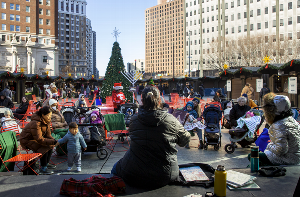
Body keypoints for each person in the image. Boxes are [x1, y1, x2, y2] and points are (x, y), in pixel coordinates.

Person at [111, 86, 191, 188]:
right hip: (164, 175)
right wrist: (179, 126)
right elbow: (184, 140)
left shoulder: (134, 118)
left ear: (142, 100)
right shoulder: (171, 120)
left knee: (114, 169)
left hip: (133, 171)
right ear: (159, 100)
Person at [248, 93, 300, 166]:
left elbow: (281, 150)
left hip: (287, 158)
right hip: (295, 156)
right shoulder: (291, 120)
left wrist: (269, 146)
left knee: (252, 156)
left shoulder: (279, 125)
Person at [20, 106, 57, 174]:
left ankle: (46, 163)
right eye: (48, 115)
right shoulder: (36, 123)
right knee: (44, 147)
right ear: (43, 115)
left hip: (34, 139)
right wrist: (53, 141)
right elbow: (39, 139)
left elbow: (48, 135)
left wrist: (55, 141)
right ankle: (43, 168)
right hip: (26, 140)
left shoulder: (46, 121)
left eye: (50, 116)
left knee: (50, 145)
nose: (50, 117)